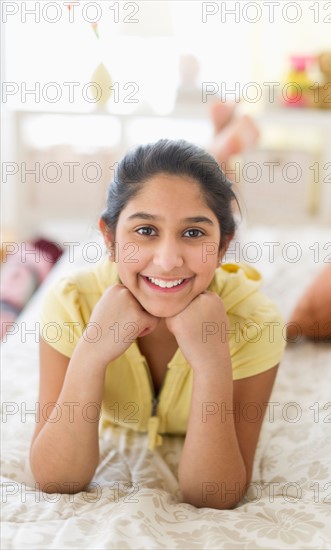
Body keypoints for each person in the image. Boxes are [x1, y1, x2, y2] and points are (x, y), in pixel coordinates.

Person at [30, 139, 286, 510]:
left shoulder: (256, 323)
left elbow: (213, 495)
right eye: (145, 231)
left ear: (223, 245)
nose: (167, 261)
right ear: (110, 238)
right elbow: (57, 478)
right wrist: (92, 352)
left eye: (194, 233)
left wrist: (212, 363)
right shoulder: (71, 303)